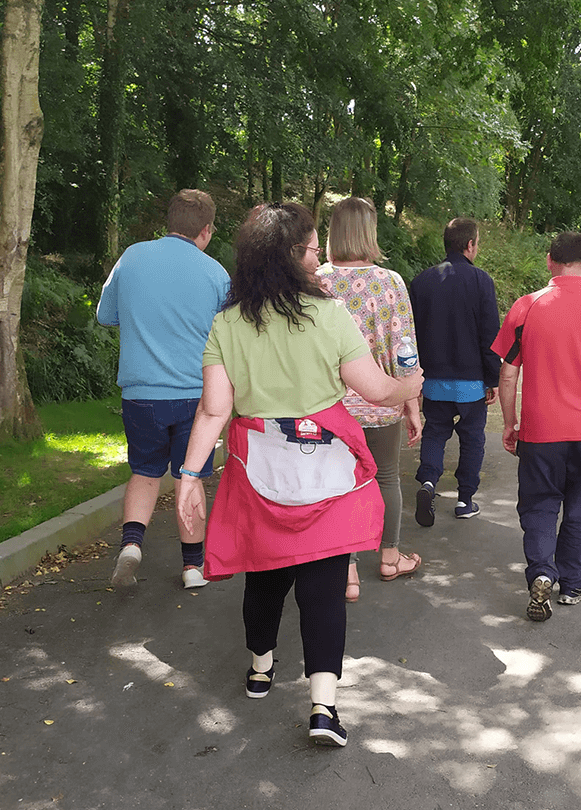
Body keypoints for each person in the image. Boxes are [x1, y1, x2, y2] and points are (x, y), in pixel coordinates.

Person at [176, 203, 422, 748]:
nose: (318, 258)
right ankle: (323, 708)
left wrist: (189, 477)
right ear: (293, 256)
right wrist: (412, 386)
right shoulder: (330, 317)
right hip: (326, 469)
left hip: (260, 468)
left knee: (264, 575)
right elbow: (378, 390)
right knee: (325, 588)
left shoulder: (227, 324)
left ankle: (261, 668)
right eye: (313, 249)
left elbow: (215, 411)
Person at [490, 232, 581, 622]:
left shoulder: (527, 307)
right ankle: (573, 584)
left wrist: (510, 423)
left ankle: (541, 571)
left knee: (539, 504)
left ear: (548, 261)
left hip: (539, 431)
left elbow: (507, 375)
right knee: (580, 505)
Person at [97, 189, 230, 590]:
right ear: (205, 230)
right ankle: (192, 567)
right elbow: (229, 337)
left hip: (140, 392)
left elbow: (106, 315)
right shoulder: (216, 273)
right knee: (190, 476)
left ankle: (132, 544)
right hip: (195, 395)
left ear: (168, 222)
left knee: (144, 471)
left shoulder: (132, 257)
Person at [316, 198, 423, 602]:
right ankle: (390, 557)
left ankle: (347, 573)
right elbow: (404, 349)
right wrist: (411, 405)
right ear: (370, 231)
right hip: (381, 401)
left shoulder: (317, 281)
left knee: (338, 485)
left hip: (329, 406)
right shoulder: (391, 282)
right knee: (386, 478)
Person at [408, 217, 500, 525]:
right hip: (472, 383)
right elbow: (490, 335)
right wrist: (493, 379)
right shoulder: (481, 281)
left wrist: (415, 380)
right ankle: (464, 500)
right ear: (470, 245)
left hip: (433, 380)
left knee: (435, 433)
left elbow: (411, 334)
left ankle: (429, 483)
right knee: (472, 438)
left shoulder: (421, 282)